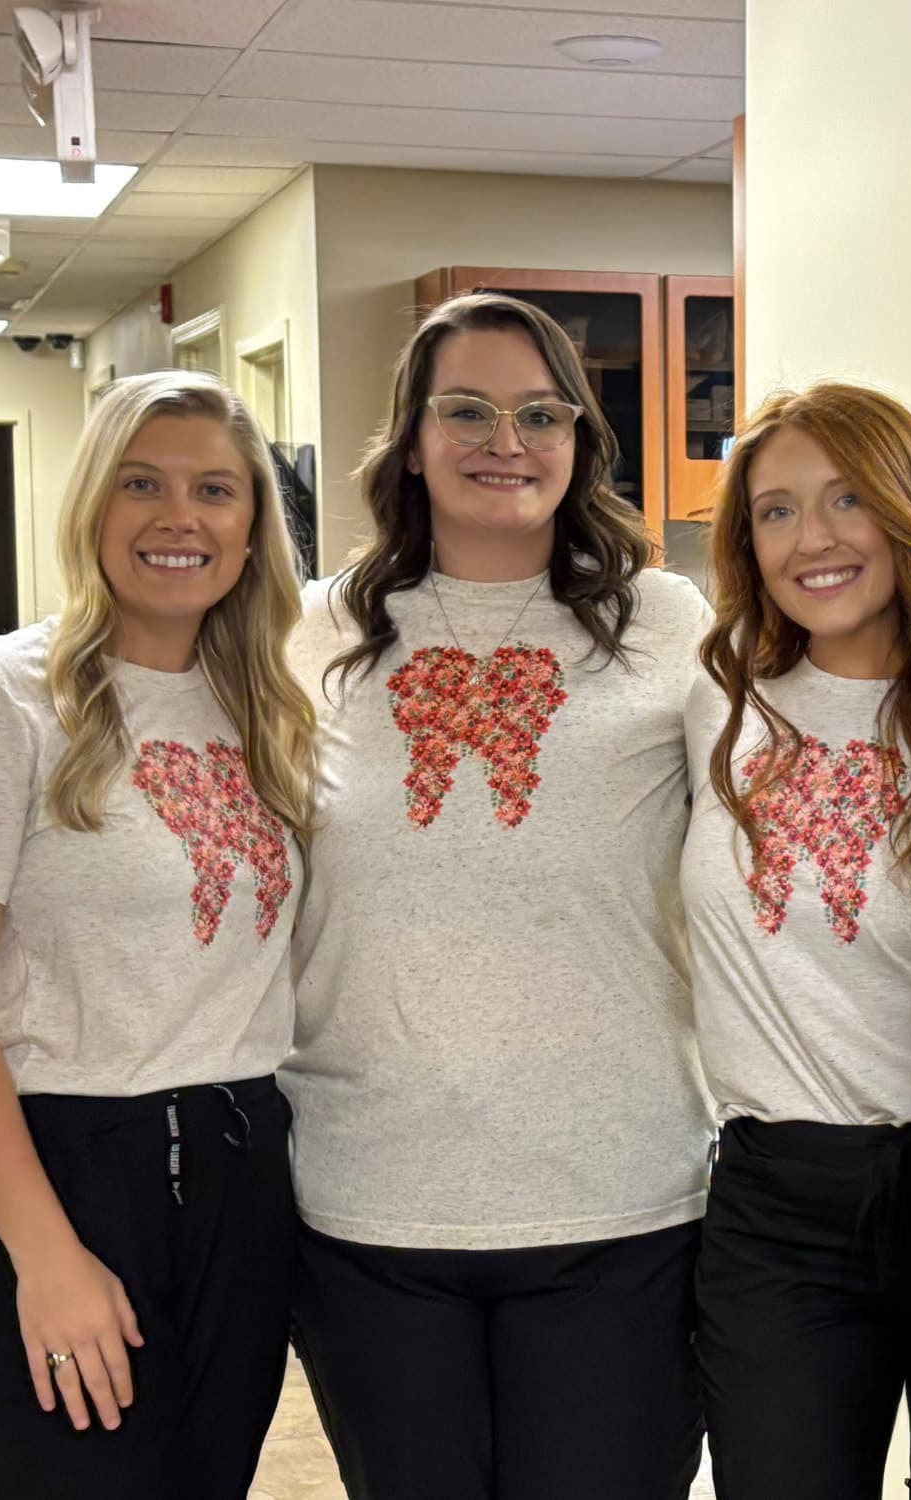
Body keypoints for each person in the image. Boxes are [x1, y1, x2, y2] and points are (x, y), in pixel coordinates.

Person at [282, 293, 712, 1500]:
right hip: (371, 1202)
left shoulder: (666, 623)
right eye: (464, 409)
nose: (503, 441)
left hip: (619, 1193)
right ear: (410, 438)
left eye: (540, 413)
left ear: (581, 440)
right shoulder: (310, 633)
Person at [0, 371, 316, 1498]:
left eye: (216, 490)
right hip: (63, 1165)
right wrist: (44, 1251)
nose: (181, 518)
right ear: (91, 507)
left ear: (252, 524)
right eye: (143, 484)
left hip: (242, 1164)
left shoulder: (264, 707)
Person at [687, 382, 911, 1499]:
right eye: (774, 511)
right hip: (776, 1208)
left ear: (906, 509)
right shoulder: (711, 708)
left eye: (846, 498)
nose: (811, 539)